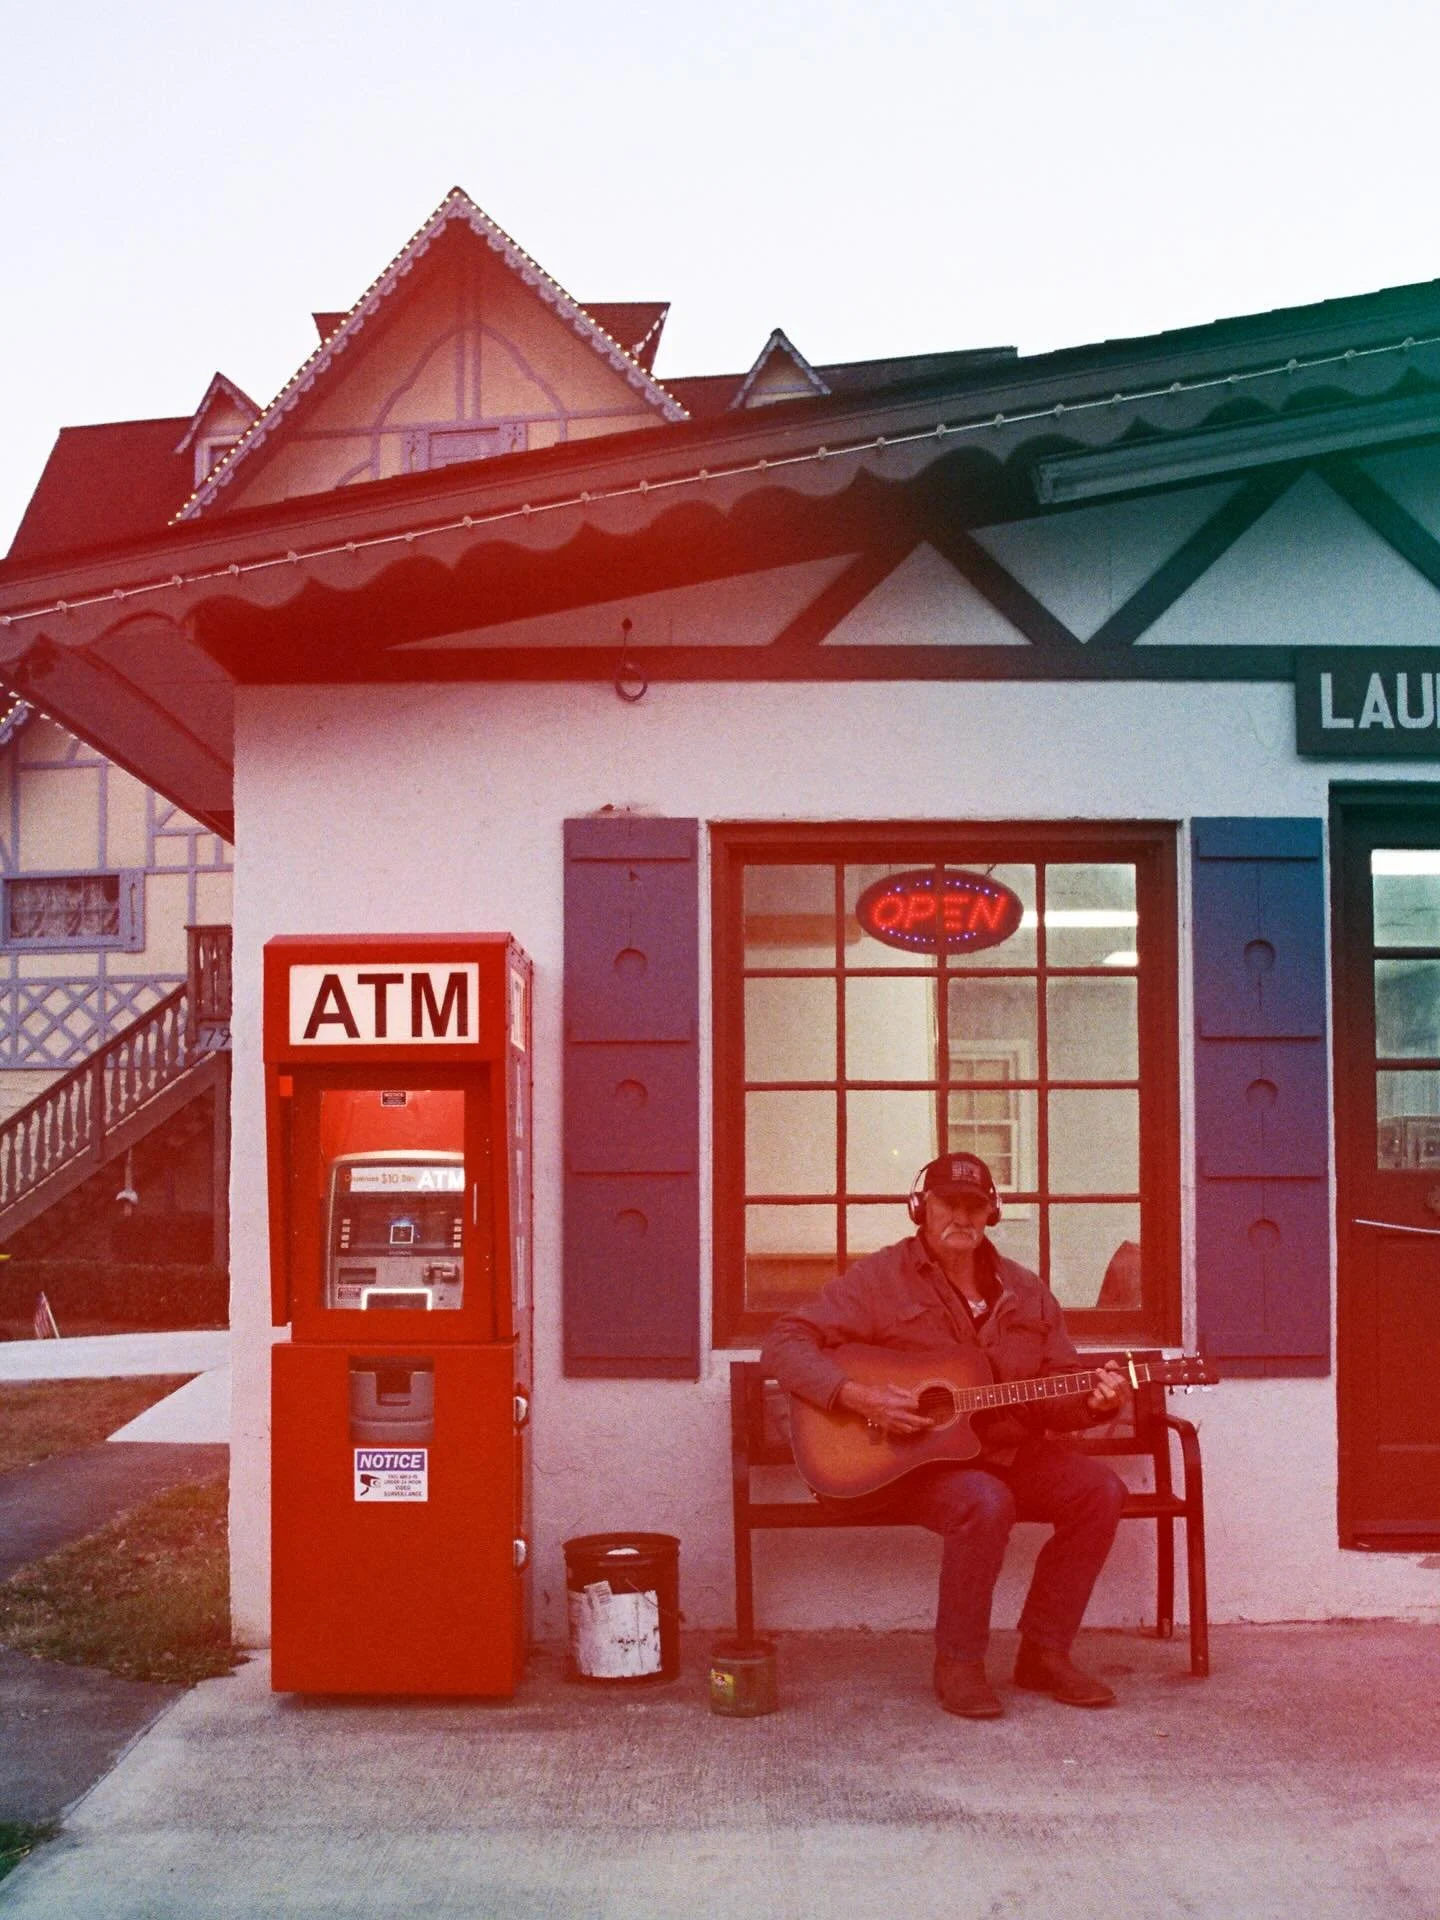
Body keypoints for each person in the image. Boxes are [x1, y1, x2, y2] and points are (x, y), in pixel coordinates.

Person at [760, 1151, 1129, 1720]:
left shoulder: (1026, 1291)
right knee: (984, 1500)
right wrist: (859, 1396)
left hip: (1005, 1449)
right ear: (920, 1209)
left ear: (992, 1215)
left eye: (974, 1206)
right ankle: (958, 1663)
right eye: (947, 1204)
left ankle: (1044, 1652)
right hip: (916, 1464)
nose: (962, 1217)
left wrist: (1094, 1401)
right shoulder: (880, 1279)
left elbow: (1057, 1389)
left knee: (1099, 1491)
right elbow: (785, 1343)